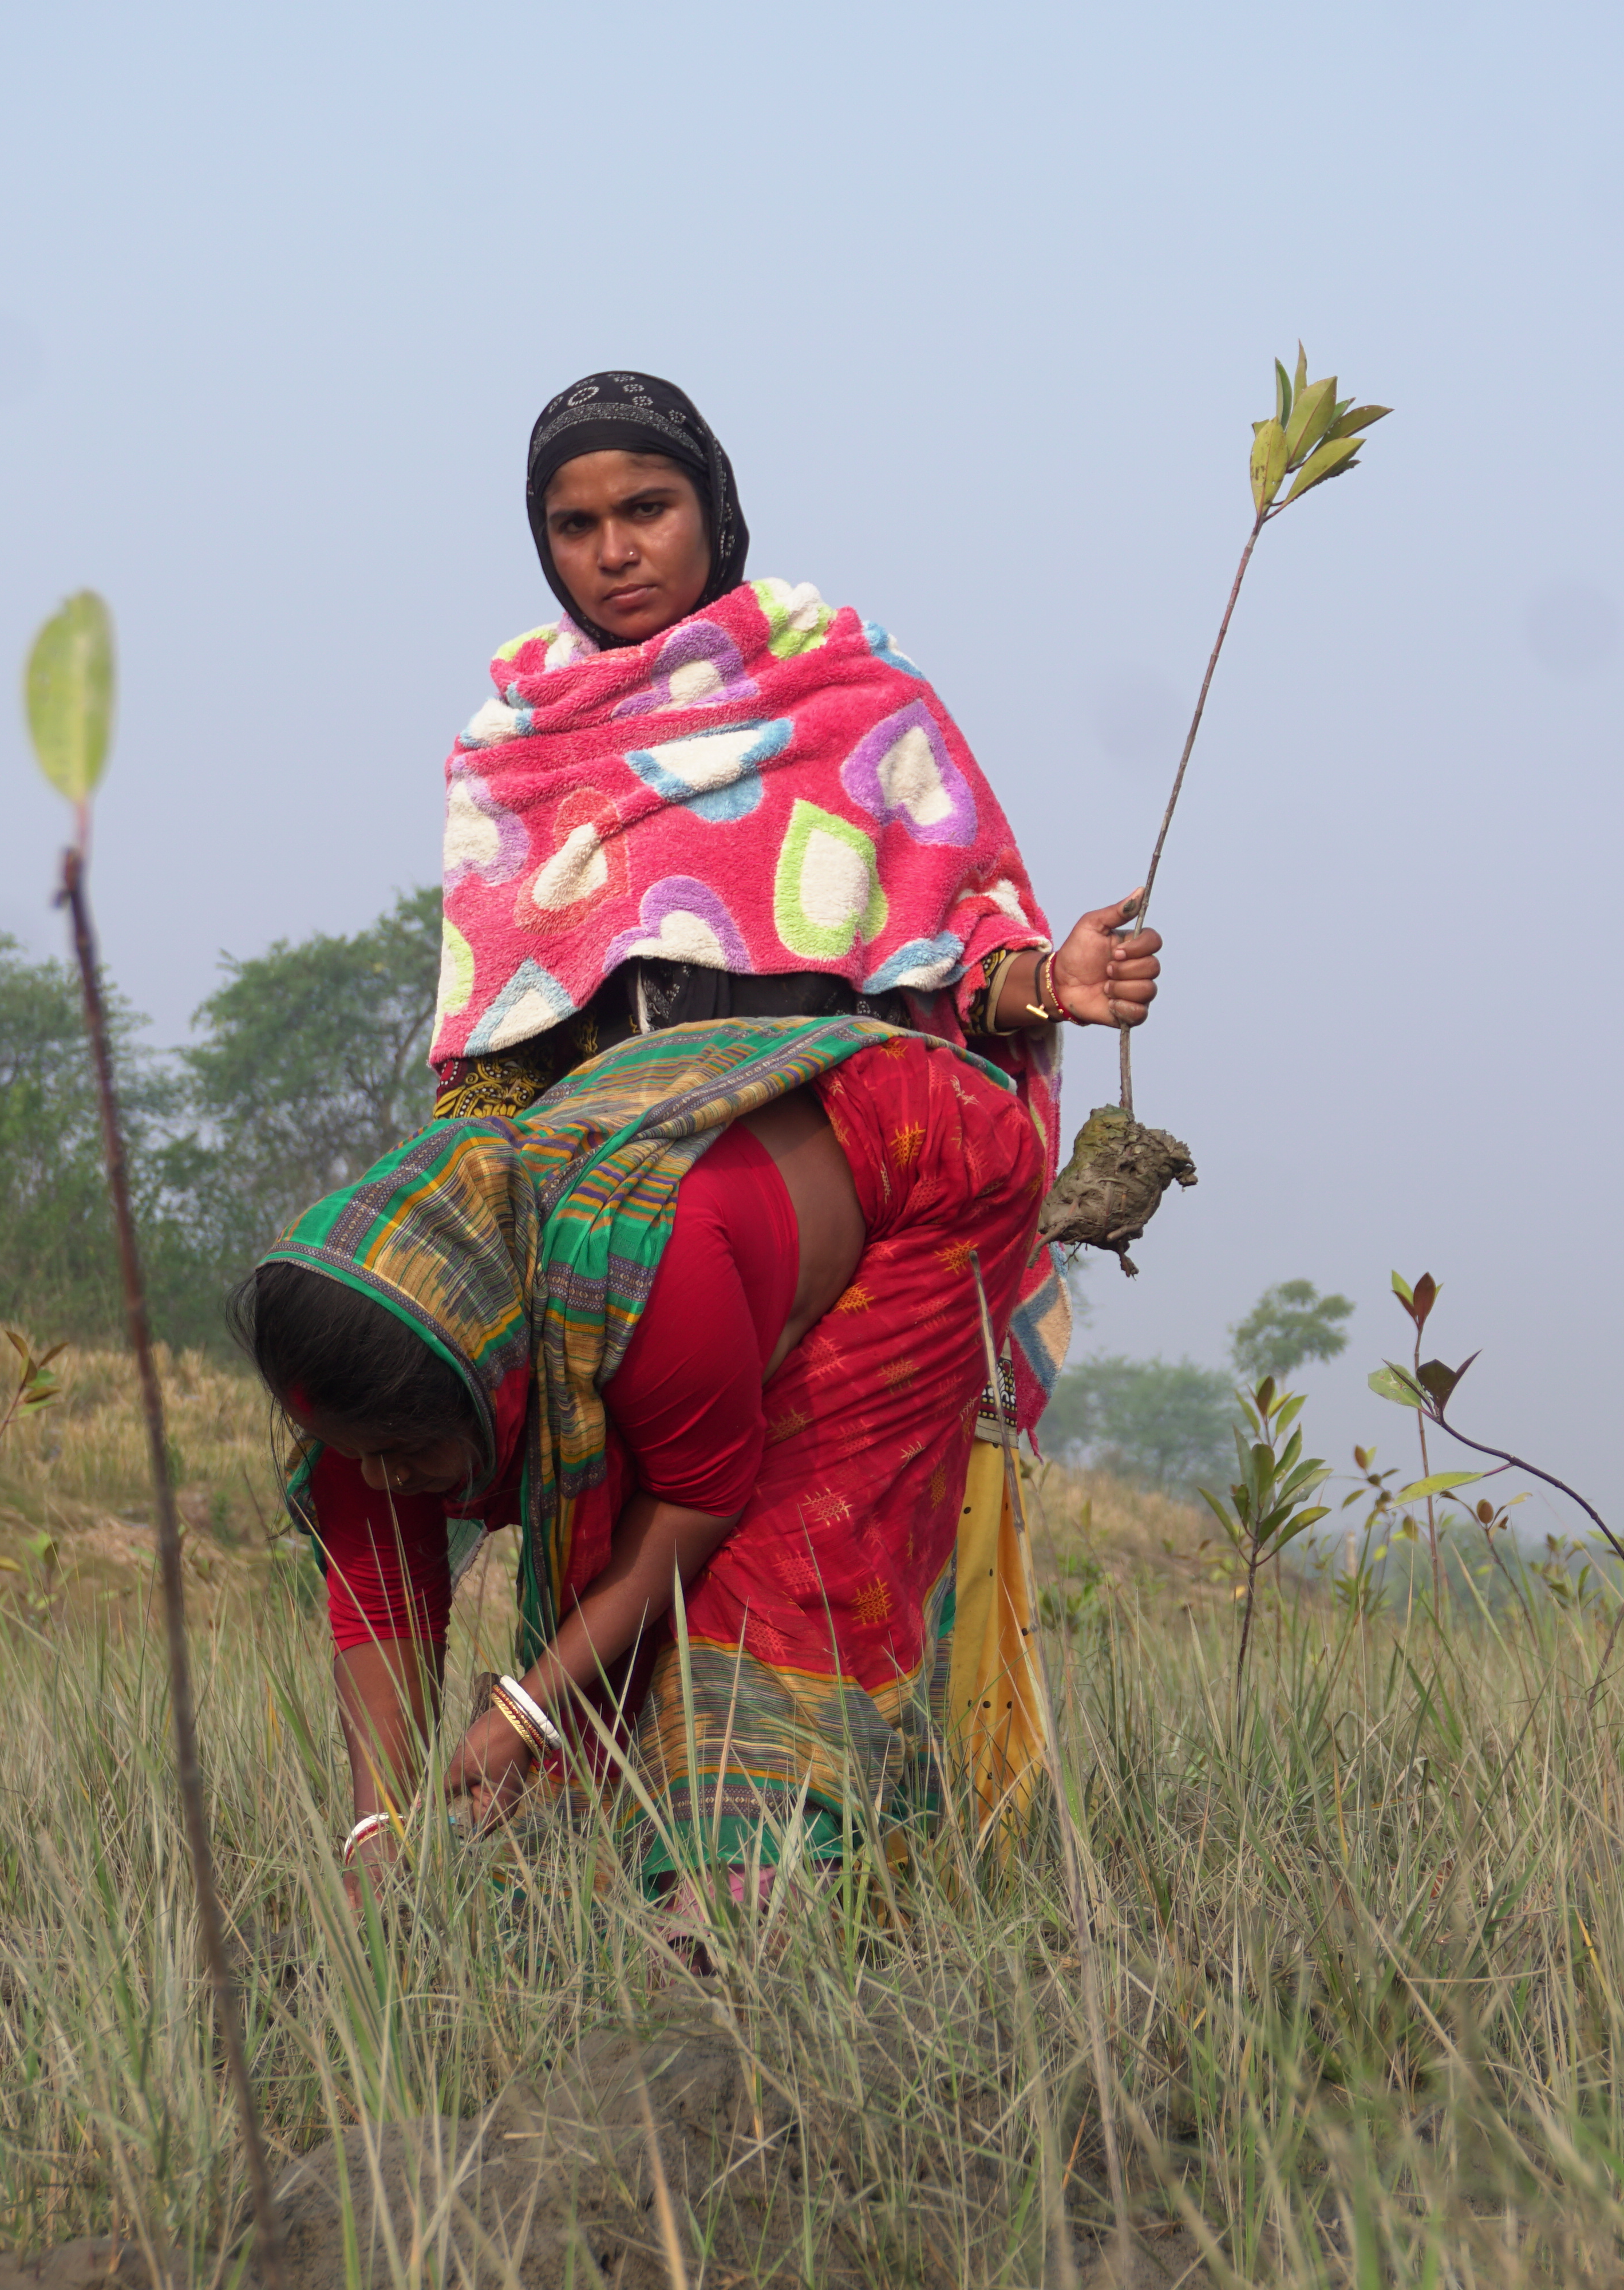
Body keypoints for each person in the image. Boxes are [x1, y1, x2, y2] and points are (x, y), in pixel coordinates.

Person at [430, 370, 1161, 1422]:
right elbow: (496, 1053)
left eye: (647, 509)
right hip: (603, 1252)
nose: (613, 552)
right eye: (574, 524)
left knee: (825, 1569)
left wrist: (1050, 982)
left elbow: (951, 962)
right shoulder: (515, 757)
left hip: (846, 1220)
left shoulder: (854, 697)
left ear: (715, 511)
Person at [231, 1015, 1053, 1926]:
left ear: (494, 1374)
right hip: (696, 1180)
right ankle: (658, 1855)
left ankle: (741, 1907)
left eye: (407, 1454)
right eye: (362, 1456)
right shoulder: (372, 1363)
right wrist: (375, 1835)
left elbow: (700, 1499)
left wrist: (526, 1712)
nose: (383, 1479)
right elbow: (383, 1594)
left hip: (932, 1165)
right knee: (638, 1620)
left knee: (784, 1564)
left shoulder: (647, 1285)